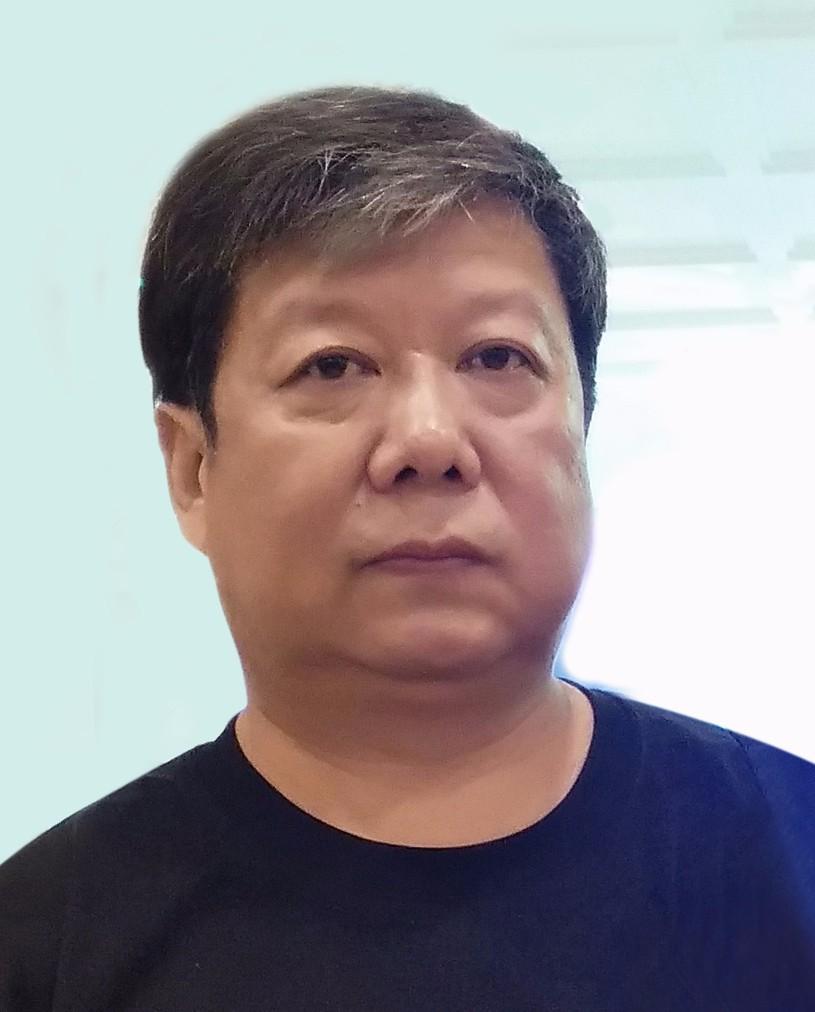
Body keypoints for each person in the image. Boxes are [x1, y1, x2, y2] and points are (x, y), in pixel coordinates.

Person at [1, 85, 813, 1012]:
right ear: (192, 469)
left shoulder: (791, 856)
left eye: (497, 358)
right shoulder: (44, 951)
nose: (429, 440)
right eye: (333, 365)